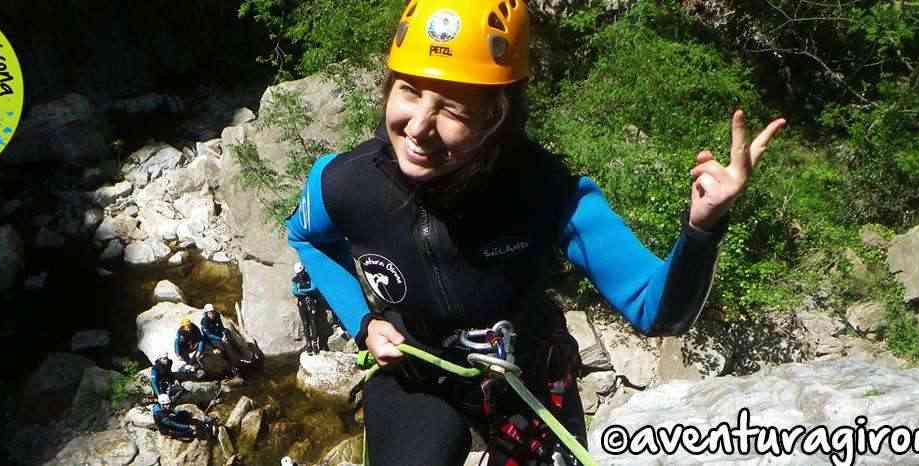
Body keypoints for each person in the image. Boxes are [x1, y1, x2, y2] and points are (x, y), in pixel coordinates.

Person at [285, 1, 785, 464]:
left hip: (527, 378)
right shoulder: (345, 182)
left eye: (454, 108)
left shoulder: (550, 195)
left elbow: (658, 312)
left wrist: (701, 230)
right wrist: (364, 322)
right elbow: (305, 237)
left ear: (497, 116)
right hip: (416, 375)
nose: (418, 127)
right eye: (409, 91)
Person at [200, 304, 257, 376]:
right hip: (211, 339)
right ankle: (231, 366)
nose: (212, 314)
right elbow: (208, 335)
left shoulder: (217, 316)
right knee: (222, 348)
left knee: (228, 333)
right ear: (206, 313)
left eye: (213, 312)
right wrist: (220, 339)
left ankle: (240, 352)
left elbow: (221, 326)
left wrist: (223, 333)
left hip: (218, 334)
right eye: (210, 313)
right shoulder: (204, 322)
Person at [291, 262, 331, 354]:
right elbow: (295, 292)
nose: (300, 275)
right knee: (305, 324)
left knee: (313, 323)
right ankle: (308, 344)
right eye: (298, 273)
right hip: (302, 304)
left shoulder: (310, 276)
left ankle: (315, 343)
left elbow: (313, 288)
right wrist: (306, 292)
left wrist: (302, 290)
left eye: (301, 272)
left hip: (311, 303)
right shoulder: (295, 280)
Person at [151, 393, 216, 440]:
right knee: (192, 431)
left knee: (183, 413)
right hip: (168, 431)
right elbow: (173, 424)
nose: (168, 406)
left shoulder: (160, 407)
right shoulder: (159, 414)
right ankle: (208, 434)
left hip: (169, 420)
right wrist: (188, 426)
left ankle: (203, 421)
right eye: (166, 405)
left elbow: (171, 411)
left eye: (169, 404)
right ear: (161, 404)